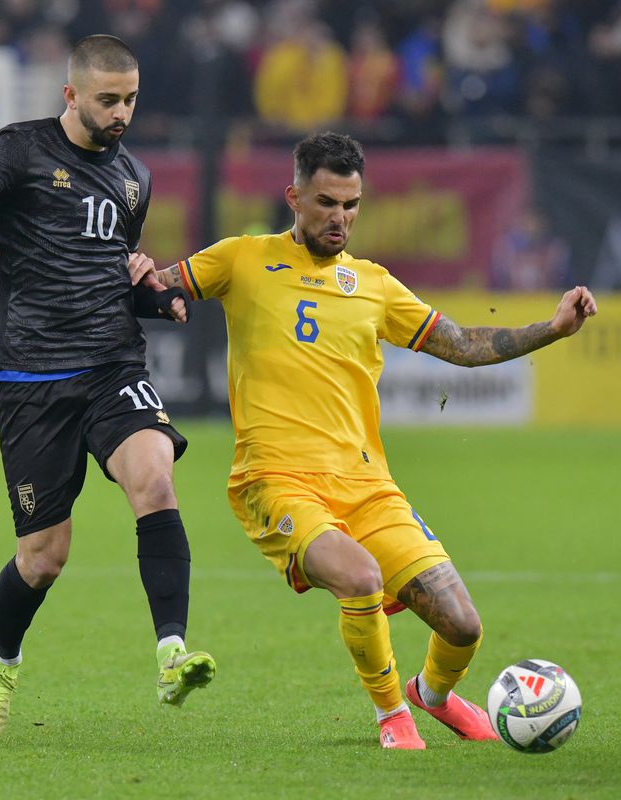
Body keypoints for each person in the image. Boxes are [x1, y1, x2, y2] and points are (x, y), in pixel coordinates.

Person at [135, 132, 596, 749]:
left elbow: (460, 344)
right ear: (294, 197)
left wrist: (554, 328)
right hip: (276, 481)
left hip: (367, 485)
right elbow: (156, 287)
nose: (340, 218)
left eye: (351, 205)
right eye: (327, 202)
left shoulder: (375, 285)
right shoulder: (242, 259)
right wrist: (138, 273)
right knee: (359, 577)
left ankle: (428, 695)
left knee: (462, 626)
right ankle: (391, 719)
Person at [0, 34, 214, 744]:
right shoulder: (18, 149)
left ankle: (172, 652)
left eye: (131, 100)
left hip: (113, 367)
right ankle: (3, 663)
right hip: (30, 379)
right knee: (43, 558)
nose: (122, 113)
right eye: (109, 100)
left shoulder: (135, 178)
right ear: (71, 95)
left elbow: (109, 275)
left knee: (155, 480)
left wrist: (158, 296)